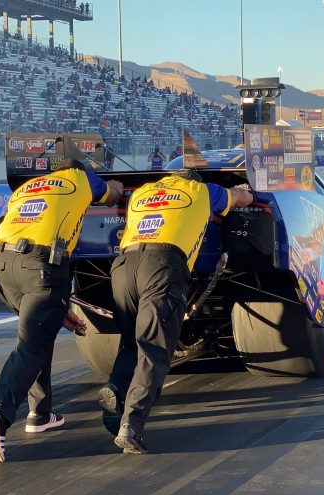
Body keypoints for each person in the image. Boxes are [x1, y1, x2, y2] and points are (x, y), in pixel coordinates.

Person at [0, 159, 124, 463]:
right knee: (31, 344)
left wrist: (56, 309)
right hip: (42, 266)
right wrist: (116, 187)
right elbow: (110, 194)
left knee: (35, 335)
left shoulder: (28, 187)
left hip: (4, 263)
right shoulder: (79, 179)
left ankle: (39, 413)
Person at [100, 169, 253, 454]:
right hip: (162, 266)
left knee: (131, 342)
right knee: (155, 349)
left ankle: (116, 388)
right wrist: (248, 192)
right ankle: (131, 425)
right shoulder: (201, 191)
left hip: (123, 266)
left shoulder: (143, 192)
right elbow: (240, 198)